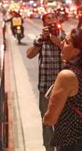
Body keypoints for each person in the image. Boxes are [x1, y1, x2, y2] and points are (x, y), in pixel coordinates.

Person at [43, 28, 82, 151]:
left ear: (77, 51)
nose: (61, 44)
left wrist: (45, 119)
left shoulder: (67, 75)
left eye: (66, 42)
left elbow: (51, 118)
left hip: (74, 142)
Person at [27, 12, 65, 151]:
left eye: (53, 18)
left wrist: (53, 37)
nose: (51, 21)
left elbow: (64, 46)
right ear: (44, 23)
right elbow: (29, 55)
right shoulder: (40, 39)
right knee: (47, 121)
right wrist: (41, 39)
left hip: (62, 89)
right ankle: (49, 148)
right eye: (47, 19)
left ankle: (61, 148)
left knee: (61, 121)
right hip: (45, 87)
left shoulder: (65, 36)